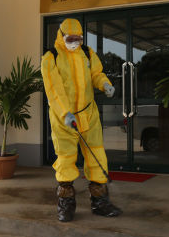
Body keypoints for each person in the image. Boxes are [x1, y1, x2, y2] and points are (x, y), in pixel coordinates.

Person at [41, 18, 122, 222]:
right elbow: (53, 89)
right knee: (66, 159)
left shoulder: (87, 53)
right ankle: (66, 204)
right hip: (64, 118)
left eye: (78, 38)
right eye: (71, 39)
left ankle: (100, 202)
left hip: (89, 113)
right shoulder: (51, 58)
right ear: (61, 36)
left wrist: (104, 84)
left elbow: (96, 73)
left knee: (97, 155)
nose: (75, 42)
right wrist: (64, 113)